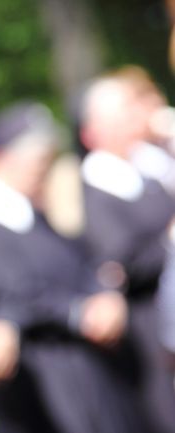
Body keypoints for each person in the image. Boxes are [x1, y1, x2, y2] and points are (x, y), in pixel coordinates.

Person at [0, 101, 143, 433]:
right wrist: (77, 312)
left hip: (82, 365)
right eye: (36, 160)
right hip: (45, 373)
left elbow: (79, 263)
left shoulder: (32, 215)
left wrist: (103, 293)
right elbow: (13, 291)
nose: (42, 169)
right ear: (1, 158)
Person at [78, 72, 175, 432]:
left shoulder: (147, 166)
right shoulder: (98, 183)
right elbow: (121, 262)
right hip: (148, 328)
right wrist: (168, 238)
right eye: (127, 109)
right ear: (100, 126)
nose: (138, 114)